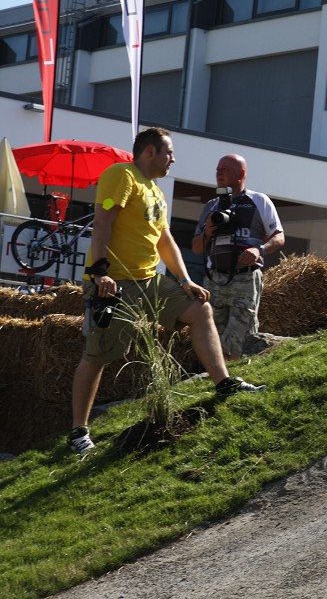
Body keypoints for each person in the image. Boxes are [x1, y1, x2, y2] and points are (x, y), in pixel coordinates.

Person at [68, 128, 265, 455]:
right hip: (113, 282)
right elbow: (102, 221)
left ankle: (224, 385)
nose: (173, 159)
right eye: (168, 153)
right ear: (149, 152)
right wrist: (99, 271)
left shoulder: (155, 190)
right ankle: (78, 432)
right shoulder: (121, 175)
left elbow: (164, 240)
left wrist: (185, 280)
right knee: (97, 355)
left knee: (200, 309)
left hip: (149, 282)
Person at [191, 155, 285, 361]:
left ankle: (238, 379)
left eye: (225, 169)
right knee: (212, 335)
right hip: (214, 279)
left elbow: (279, 237)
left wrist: (259, 249)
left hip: (245, 278)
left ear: (241, 173)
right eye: (217, 169)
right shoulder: (211, 206)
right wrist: (208, 232)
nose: (219, 173)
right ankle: (215, 381)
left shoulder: (258, 200)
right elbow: (196, 248)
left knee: (241, 337)